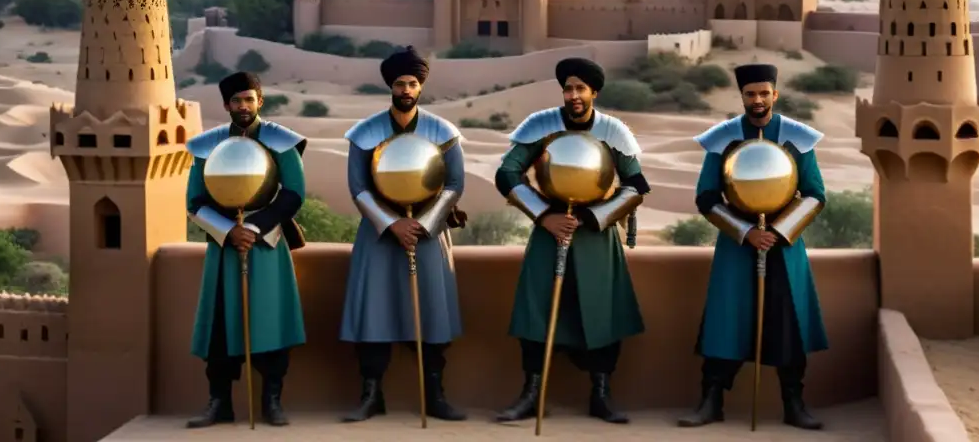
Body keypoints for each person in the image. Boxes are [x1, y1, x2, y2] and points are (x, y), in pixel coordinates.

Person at [494, 57, 649, 425]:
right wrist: (544, 216)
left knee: (603, 313)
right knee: (537, 312)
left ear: (594, 92)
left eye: (581, 88)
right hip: (550, 231)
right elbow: (507, 172)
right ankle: (531, 393)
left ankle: (601, 394)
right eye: (568, 88)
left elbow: (636, 185)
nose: (574, 95)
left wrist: (593, 217)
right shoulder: (540, 125)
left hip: (596, 235)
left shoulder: (614, 130)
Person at [678, 63, 828, 431]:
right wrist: (746, 233)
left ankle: (794, 403)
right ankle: (711, 401)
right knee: (725, 321)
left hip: (785, 244)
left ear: (775, 95)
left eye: (764, 93)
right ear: (742, 96)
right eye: (750, 94)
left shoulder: (797, 137)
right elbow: (707, 197)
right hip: (737, 244)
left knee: (787, 322)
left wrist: (778, 232)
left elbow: (814, 195)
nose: (757, 100)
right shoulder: (723, 138)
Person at [339, 46, 468, 423]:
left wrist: (423, 225)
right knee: (374, 315)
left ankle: (435, 395)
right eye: (400, 83)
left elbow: (454, 185)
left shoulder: (443, 133)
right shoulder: (365, 134)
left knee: (430, 313)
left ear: (420, 86)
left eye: (413, 83)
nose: (406, 89)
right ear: (390, 87)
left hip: (428, 232)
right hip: (379, 235)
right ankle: (371, 395)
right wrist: (393, 224)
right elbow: (358, 188)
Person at [184, 71, 308, 428]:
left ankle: (271, 401)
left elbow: (294, 193)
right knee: (220, 328)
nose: (243, 106)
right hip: (224, 248)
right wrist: (229, 231)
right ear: (226, 105)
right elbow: (194, 201)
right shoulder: (206, 146)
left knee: (270, 322)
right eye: (236, 101)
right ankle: (219, 402)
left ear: (260, 101)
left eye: (249, 99)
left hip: (266, 243)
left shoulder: (279, 142)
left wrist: (253, 228)